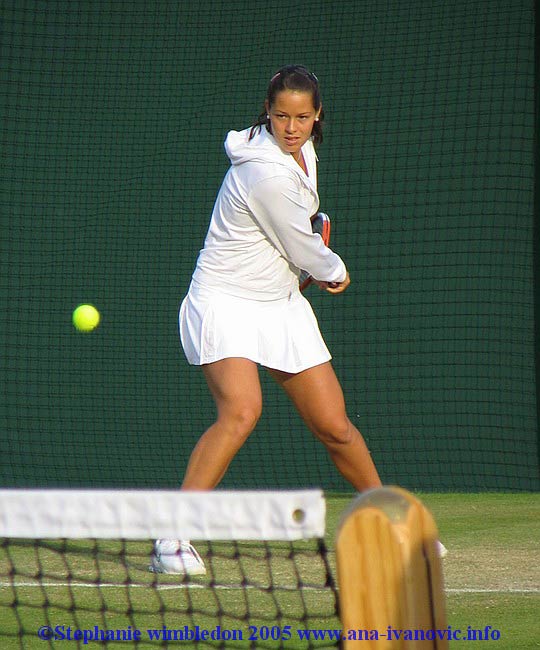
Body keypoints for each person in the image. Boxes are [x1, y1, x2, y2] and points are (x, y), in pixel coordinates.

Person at [150, 64, 386, 574]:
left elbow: (297, 238)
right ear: (268, 112)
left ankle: (389, 517)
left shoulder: (303, 153)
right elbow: (303, 243)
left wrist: (311, 268)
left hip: (278, 305)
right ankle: (173, 537)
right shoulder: (264, 171)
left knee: (335, 426)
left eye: (302, 116)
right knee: (241, 412)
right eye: (282, 115)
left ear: (317, 115)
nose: (292, 126)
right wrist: (335, 270)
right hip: (225, 300)